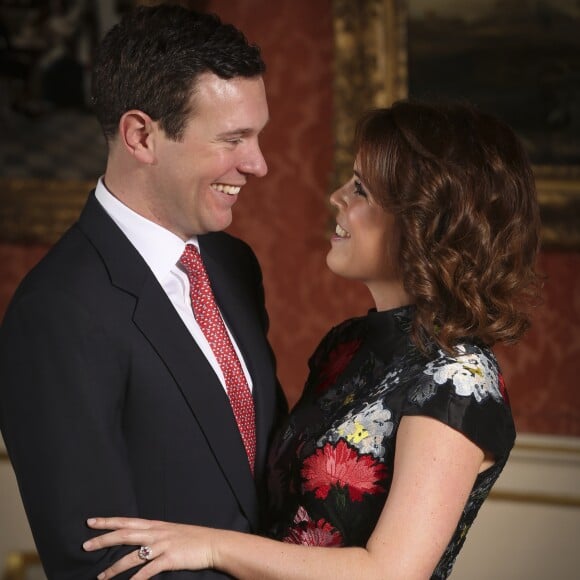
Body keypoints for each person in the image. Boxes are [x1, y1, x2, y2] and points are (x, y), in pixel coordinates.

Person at [83, 99, 541, 579]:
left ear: (425, 223)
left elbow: (389, 573)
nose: (337, 197)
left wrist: (211, 546)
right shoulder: (348, 345)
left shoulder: (459, 382)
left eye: (360, 189)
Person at [0, 4, 285, 579]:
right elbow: (103, 565)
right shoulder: (56, 312)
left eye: (258, 136)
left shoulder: (233, 264)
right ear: (141, 136)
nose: (257, 164)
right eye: (233, 138)